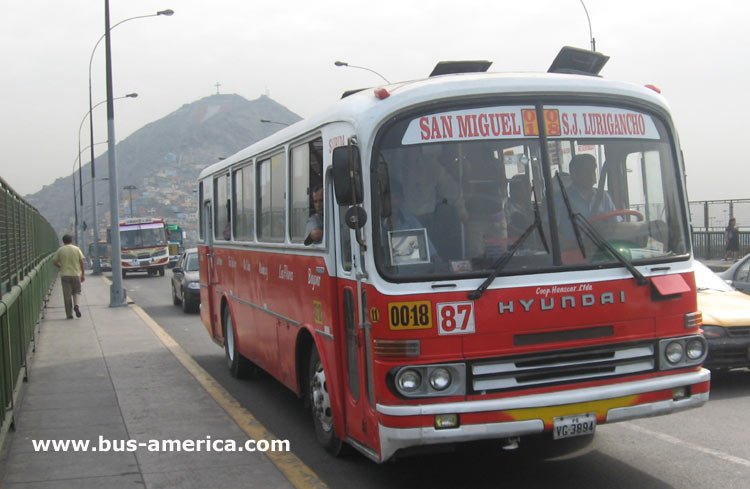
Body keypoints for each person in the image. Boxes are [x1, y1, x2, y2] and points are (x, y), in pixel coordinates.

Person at [52, 234, 86, 319]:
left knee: (67, 296)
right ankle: (77, 305)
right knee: (77, 291)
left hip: (65, 275)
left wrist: (61, 266)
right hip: (76, 274)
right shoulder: (76, 249)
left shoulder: (60, 250)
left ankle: (69, 314)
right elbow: (82, 262)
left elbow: (54, 261)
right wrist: (83, 274)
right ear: (71, 241)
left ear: (63, 241)